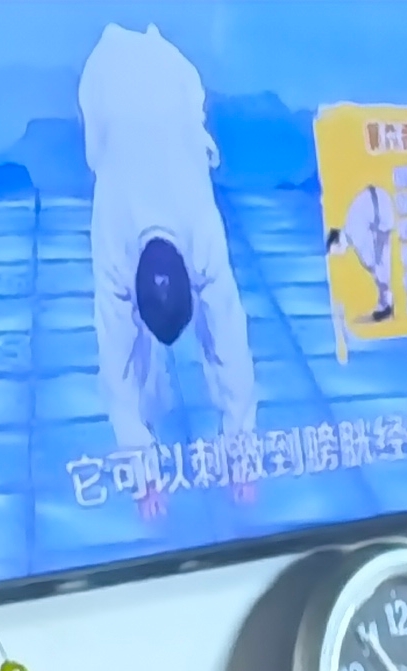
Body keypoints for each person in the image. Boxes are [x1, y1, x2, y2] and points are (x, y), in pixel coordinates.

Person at [79, 21, 257, 495]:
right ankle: (150, 419)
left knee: (216, 329)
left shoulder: (202, 235)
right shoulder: (113, 238)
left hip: (171, 75)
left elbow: (230, 343)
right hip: (106, 79)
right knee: (131, 356)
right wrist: (141, 470)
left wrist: (240, 450)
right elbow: (116, 364)